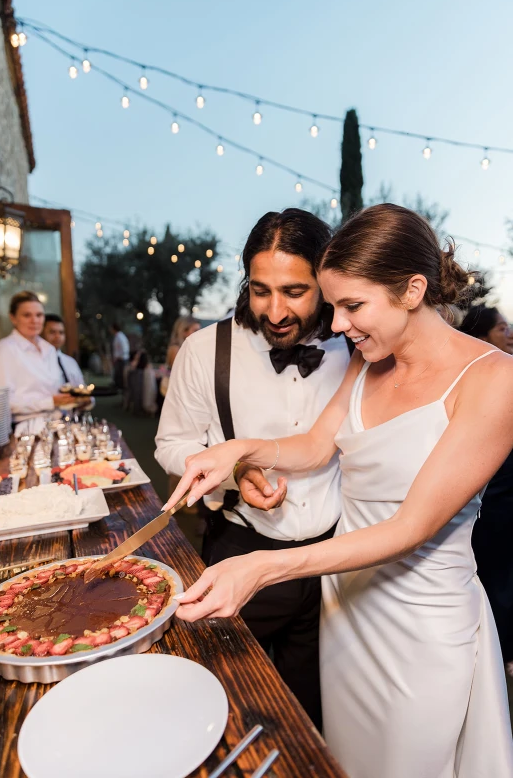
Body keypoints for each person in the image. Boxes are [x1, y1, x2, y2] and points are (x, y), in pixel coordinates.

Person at [165, 204, 513, 777]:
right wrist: (238, 450)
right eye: (334, 308)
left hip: (422, 622)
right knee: (346, 758)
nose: (340, 325)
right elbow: (314, 447)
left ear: (412, 289)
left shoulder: (493, 380)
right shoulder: (368, 359)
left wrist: (261, 567)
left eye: (352, 306)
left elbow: (409, 529)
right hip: (345, 605)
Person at [156, 209, 351, 729]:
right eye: (261, 290)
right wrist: (234, 470)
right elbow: (170, 445)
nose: (276, 309)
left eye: (294, 291)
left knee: (312, 712)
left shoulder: (355, 345)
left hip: (334, 563)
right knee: (230, 708)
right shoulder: (205, 351)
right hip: (240, 553)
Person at [459, 305, 513, 671]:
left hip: (507, 494)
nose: (508, 333)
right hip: (490, 500)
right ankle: (500, 649)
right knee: (495, 578)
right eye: (500, 328)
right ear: (481, 336)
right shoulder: (480, 379)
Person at [0, 291, 71, 434]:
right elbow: (2, 403)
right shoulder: (4, 351)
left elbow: (51, 389)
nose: (35, 321)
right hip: (25, 432)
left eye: (39, 315)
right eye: (27, 315)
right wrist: (50, 402)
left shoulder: (48, 349)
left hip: (57, 425)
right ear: (13, 318)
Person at [159, 315, 201, 399]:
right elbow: (181, 373)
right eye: (195, 330)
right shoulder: (176, 349)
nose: (199, 333)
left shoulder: (186, 347)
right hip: (175, 393)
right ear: (184, 331)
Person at [110, 322, 130, 391]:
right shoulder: (118, 336)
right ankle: (117, 386)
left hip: (121, 358)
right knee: (118, 374)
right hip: (120, 358)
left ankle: (120, 387)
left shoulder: (120, 337)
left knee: (120, 374)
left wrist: (118, 357)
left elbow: (124, 349)